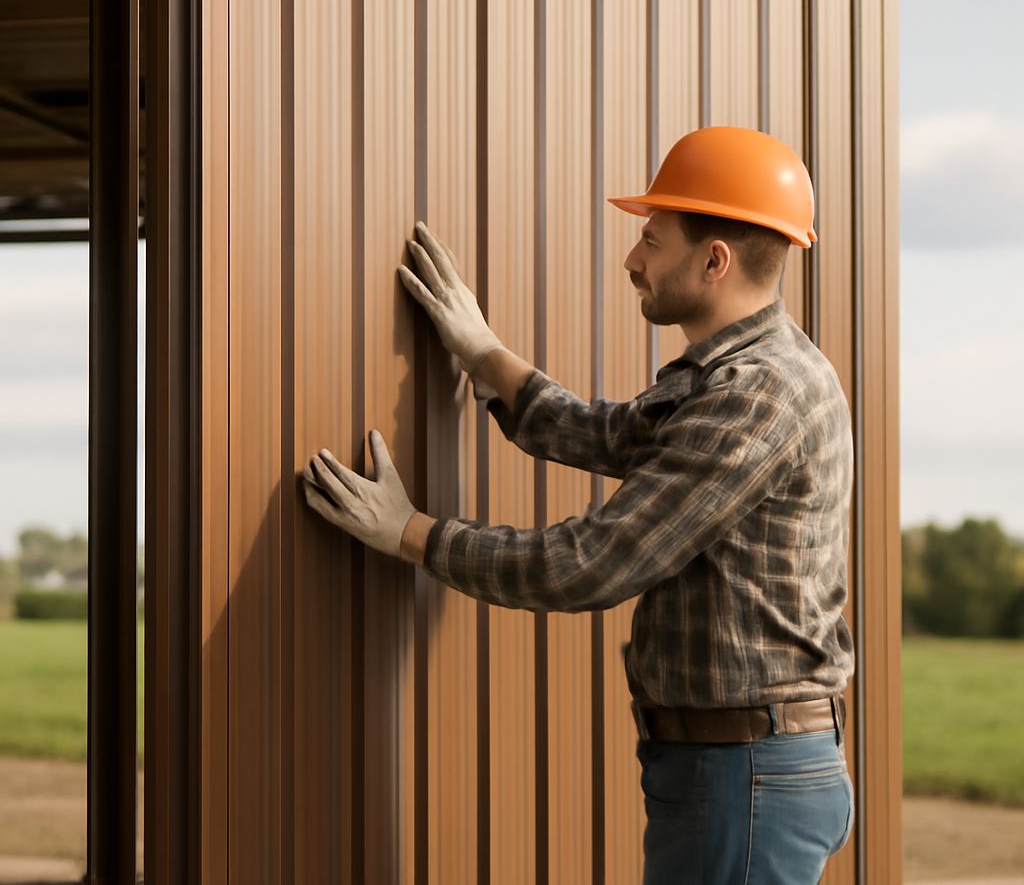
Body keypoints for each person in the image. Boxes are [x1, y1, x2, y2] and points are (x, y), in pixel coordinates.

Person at [302, 125, 856, 884]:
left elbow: (588, 565)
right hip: (737, 768)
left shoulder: (756, 395)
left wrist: (411, 533)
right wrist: (480, 350)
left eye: (652, 242)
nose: (632, 260)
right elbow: (609, 432)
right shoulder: (743, 373)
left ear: (714, 260)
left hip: (742, 776)